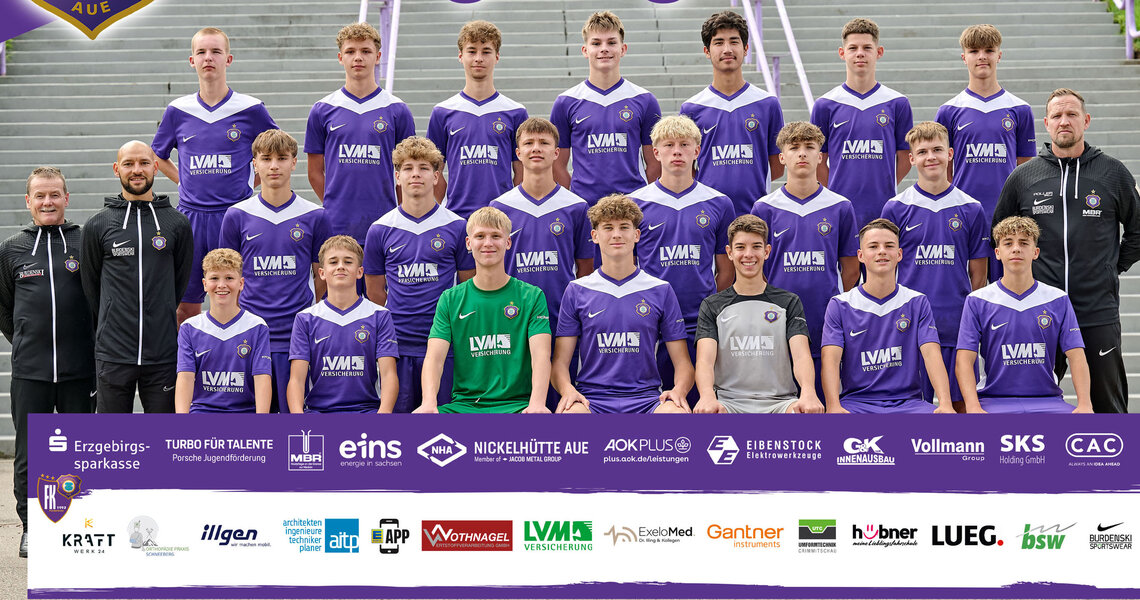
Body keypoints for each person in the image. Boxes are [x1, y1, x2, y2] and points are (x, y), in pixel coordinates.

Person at [993, 88, 1140, 414]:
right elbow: (999, 234)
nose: (1064, 121)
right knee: (1032, 406)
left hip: (1096, 310)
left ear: (1085, 120)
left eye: (1072, 114)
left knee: (1108, 406)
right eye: (1057, 115)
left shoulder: (1112, 173)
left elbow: (1138, 230)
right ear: (1046, 123)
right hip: (1039, 309)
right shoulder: (1024, 177)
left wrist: (1111, 266)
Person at [151, 27, 278, 324]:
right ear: (192, 61)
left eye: (216, 52)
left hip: (237, 216)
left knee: (243, 301)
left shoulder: (250, 108)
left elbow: (277, 150)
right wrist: (184, 180)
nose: (208, 57)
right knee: (186, 307)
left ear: (228, 59)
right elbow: (157, 155)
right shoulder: (178, 110)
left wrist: (251, 181)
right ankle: (190, 356)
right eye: (201, 52)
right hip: (191, 218)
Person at [0, 167, 95, 559]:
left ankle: (78, 524)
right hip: (31, 371)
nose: (47, 202)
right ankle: (32, 527)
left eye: (54, 194)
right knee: (30, 455)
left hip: (80, 370)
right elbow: (5, 310)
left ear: (66, 198)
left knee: (78, 451)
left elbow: (101, 297)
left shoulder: (86, 241)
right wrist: (27, 340)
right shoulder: (11, 249)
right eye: (39, 195)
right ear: (28, 201)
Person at [880, 121, 989, 409]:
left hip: (956, 324)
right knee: (912, 409)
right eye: (923, 151)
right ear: (911, 158)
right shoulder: (896, 207)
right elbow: (885, 269)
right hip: (908, 327)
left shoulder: (971, 207)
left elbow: (979, 275)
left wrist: (969, 320)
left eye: (937, 150)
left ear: (950, 154)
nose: (931, 157)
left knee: (961, 406)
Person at [80, 141, 194, 413]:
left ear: (155, 167)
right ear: (116, 169)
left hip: (162, 352)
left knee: (163, 435)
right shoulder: (98, 224)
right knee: (113, 436)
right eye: (128, 164)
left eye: (143, 163)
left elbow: (179, 282)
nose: (137, 170)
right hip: (113, 354)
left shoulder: (177, 223)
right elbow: (91, 286)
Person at [552, 194, 691, 414]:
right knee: (570, 415)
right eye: (608, 228)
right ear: (595, 236)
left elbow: (683, 364)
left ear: (636, 235)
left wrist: (679, 391)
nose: (616, 234)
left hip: (646, 399)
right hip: (592, 399)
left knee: (677, 414)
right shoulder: (577, 290)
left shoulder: (660, 289)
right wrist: (567, 390)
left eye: (624, 227)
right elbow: (559, 364)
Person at [219, 129, 327, 412]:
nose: (274, 165)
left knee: (295, 419)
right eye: (266, 159)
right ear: (254, 164)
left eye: (282, 158)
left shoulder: (315, 215)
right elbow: (227, 280)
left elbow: (322, 279)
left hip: (296, 337)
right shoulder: (237, 215)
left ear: (294, 163)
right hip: (251, 335)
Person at [364, 137, 474, 412]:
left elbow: (468, 287)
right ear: (397, 176)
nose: (416, 174)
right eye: (408, 168)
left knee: (444, 420)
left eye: (424, 168)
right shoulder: (380, 229)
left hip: (444, 343)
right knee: (400, 425)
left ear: (436, 176)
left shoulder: (457, 226)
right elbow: (375, 292)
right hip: (398, 345)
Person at [630, 115, 734, 403]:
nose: (677, 151)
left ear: (697, 151)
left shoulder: (718, 202)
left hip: (699, 319)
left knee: (702, 400)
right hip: (650, 320)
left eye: (684, 145)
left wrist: (710, 308)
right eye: (669, 145)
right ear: (655, 152)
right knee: (658, 401)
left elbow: (726, 270)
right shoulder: (636, 203)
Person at [751, 121, 858, 393]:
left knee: (823, 400)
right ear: (782, 157)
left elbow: (850, 268)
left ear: (820, 156)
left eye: (809, 147)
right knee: (779, 402)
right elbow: (754, 268)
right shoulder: (764, 208)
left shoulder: (840, 206)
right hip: (776, 320)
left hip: (824, 318)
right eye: (794, 147)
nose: (802, 153)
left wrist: (835, 307)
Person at [415, 207, 551, 414]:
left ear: (508, 242)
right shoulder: (450, 299)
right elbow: (434, 358)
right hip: (464, 407)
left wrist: (537, 404)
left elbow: (541, 355)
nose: (488, 243)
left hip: (516, 407)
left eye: (496, 236)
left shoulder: (532, 296)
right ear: (468, 243)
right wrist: (428, 402)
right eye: (480, 236)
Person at [956, 217, 1093, 413]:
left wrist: (1085, 404)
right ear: (997, 253)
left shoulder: (1057, 299)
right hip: (994, 400)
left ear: (1035, 252)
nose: (1016, 249)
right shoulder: (977, 300)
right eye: (1008, 243)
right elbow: (964, 360)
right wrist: (972, 406)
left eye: (1023, 243)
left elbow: (1077, 356)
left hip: (1048, 400)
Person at [820, 219, 954, 414]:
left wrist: (945, 404)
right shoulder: (840, 304)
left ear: (899, 254)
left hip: (909, 404)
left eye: (889, 246)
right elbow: (830, 360)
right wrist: (833, 406)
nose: (882, 251)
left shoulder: (917, 301)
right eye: (873, 246)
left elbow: (931, 354)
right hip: (857, 404)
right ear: (861, 255)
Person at [935, 24, 1035, 282]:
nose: (982, 56)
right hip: (962, 215)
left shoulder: (1019, 109)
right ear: (964, 57)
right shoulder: (949, 110)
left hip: (1006, 216)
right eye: (974, 51)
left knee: (1008, 288)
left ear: (999, 55)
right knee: (968, 286)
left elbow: (1026, 169)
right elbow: (943, 169)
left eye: (989, 50)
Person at [694, 215, 822, 414]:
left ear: (767, 251)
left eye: (756, 247)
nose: (748, 254)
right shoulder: (712, 305)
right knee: (708, 414)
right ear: (729, 252)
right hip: (730, 403)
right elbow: (705, 361)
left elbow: (801, 356)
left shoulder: (789, 302)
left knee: (807, 415)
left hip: (780, 402)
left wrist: (808, 392)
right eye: (740, 247)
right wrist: (706, 396)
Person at [489, 118, 593, 357]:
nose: (536, 148)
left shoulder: (576, 207)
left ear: (556, 152)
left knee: (561, 379)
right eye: (529, 143)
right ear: (518, 153)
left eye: (544, 143)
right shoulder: (500, 207)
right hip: (511, 316)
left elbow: (585, 269)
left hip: (562, 318)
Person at [305, 22, 416, 244]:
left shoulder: (397, 109)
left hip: (385, 224)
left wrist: (401, 213)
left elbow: (407, 170)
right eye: (350, 52)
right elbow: (315, 171)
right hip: (337, 226)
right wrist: (335, 205)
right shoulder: (322, 109)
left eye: (366, 51)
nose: (358, 57)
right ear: (340, 58)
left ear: (378, 57)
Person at [551, 11, 662, 211]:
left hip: (631, 208)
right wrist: (576, 200)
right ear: (585, 50)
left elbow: (655, 162)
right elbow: (557, 164)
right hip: (586, 209)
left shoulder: (645, 100)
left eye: (611, 42)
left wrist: (639, 199)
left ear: (623, 48)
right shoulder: (566, 102)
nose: (604, 49)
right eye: (596, 43)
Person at [680, 10, 784, 217]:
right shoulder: (692, 108)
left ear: (745, 49)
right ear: (707, 51)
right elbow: (687, 167)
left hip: (754, 215)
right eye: (719, 42)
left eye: (734, 42)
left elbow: (778, 166)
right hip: (707, 216)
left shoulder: (767, 103)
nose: (727, 49)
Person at [810, 18, 913, 226]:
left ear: (879, 52)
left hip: (882, 208)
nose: (860, 53)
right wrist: (835, 194)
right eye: (853, 48)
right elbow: (818, 159)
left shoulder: (897, 102)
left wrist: (885, 186)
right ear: (842, 53)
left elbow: (905, 156)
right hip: (840, 210)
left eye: (867, 48)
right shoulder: (825, 104)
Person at [426, 20, 528, 218]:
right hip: (457, 217)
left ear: (497, 57)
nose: (478, 58)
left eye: (486, 51)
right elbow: (433, 173)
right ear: (460, 56)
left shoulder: (515, 112)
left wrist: (511, 210)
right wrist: (445, 213)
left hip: (501, 219)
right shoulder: (443, 112)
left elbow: (522, 172)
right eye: (472, 51)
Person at [287, 235, 399, 413]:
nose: (340, 266)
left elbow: (388, 374)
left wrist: (383, 418)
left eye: (348, 262)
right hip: (319, 413)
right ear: (322, 273)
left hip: (366, 412)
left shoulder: (379, 315)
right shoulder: (305, 318)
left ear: (360, 272)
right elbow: (296, 380)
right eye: (333, 262)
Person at [175, 248, 272, 413]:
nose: (221, 285)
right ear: (205, 284)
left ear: (241, 283)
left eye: (229, 278)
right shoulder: (190, 328)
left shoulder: (257, 326)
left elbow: (262, 379)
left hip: (244, 413)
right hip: (202, 413)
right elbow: (185, 378)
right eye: (214, 278)